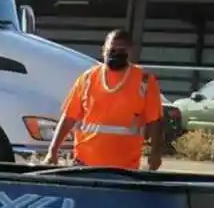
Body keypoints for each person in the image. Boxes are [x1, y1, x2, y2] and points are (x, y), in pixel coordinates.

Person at [46, 30, 167, 171]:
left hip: (125, 169)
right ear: (104, 49)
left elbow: (155, 122)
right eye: (112, 49)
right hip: (84, 164)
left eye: (121, 50)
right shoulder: (88, 78)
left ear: (130, 51)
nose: (116, 53)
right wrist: (53, 150)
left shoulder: (145, 81)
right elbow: (68, 117)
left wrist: (156, 153)